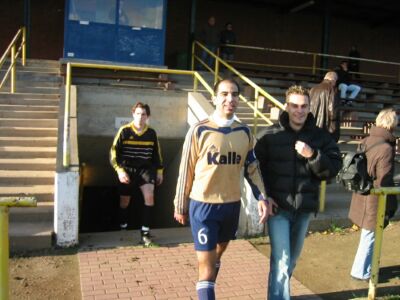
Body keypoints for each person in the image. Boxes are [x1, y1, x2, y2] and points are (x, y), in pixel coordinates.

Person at [174, 78, 270, 300]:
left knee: (217, 257)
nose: (230, 99)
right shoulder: (199, 130)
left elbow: (252, 168)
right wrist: (180, 205)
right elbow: (185, 170)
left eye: (235, 94)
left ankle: (207, 277)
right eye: (224, 94)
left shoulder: (245, 132)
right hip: (203, 206)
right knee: (206, 267)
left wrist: (262, 197)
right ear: (214, 98)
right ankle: (206, 284)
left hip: (231, 206)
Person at [255, 85, 342, 300]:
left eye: (304, 106)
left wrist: (312, 154)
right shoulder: (269, 135)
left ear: (309, 107)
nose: (299, 110)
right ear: (286, 106)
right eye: (294, 105)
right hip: (279, 209)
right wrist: (265, 196)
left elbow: (333, 167)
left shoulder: (320, 136)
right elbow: (254, 170)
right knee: (282, 261)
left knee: (290, 262)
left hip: (304, 209)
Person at [348, 108, 398, 281]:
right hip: (375, 198)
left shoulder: (365, 140)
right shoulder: (386, 149)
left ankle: (361, 269)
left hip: (362, 194)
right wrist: (392, 204)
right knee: (370, 236)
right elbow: (385, 181)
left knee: (367, 235)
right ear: (392, 125)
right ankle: (361, 272)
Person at [110, 102, 163, 247]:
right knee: (124, 202)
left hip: (145, 170)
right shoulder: (124, 131)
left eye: (143, 114)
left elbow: (156, 154)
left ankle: (145, 233)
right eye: (138, 113)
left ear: (148, 116)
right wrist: (120, 171)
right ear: (133, 114)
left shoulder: (151, 133)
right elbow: (113, 152)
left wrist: (159, 171)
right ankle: (123, 226)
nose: (140, 117)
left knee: (150, 196)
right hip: (127, 170)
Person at [310, 71, 341, 142]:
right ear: (334, 80)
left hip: (312, 127)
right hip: (326, 130)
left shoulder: (313, 89)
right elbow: (334, 113)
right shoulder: (333, 90)